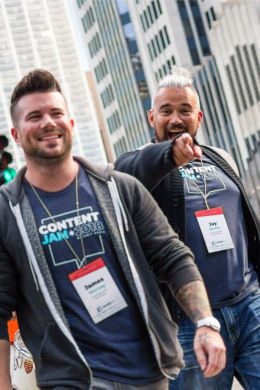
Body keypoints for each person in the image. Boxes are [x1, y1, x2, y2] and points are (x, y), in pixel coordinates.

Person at [0, 69, 226, 390]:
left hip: (147, 373)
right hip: (73, 380)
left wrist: (205, 323)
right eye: (34, 116)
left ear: (71, 124)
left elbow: (173, 257)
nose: (48, 122)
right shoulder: (7, 213)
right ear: (17, 135)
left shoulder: (119, 189)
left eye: (56, 113)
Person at [116, 66, 260, 389]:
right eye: (166, 111)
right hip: (187, 324)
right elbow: (126, 169)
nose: (176, 119)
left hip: (250, 304)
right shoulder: (137, 167)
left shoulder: (221, 158)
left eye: (185, 110)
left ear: (200, 117)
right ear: (150, 118)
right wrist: (169, 156)